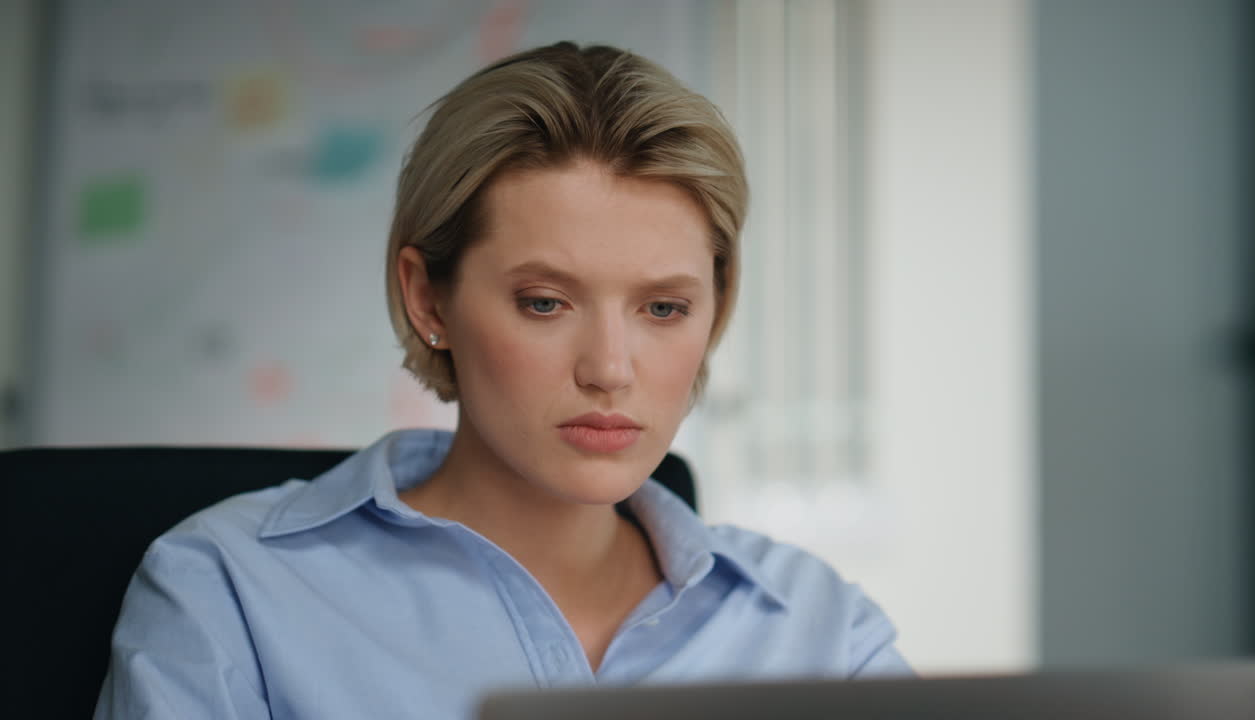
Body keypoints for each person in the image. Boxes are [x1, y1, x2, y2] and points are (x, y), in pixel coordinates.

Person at [94, 41, 910, 719]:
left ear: (715, 309)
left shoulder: (820, 630)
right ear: (428, 299)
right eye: (546, 302)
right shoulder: (228, 589)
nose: (610, 369)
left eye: (663, 309)